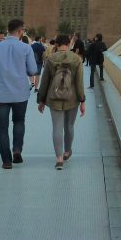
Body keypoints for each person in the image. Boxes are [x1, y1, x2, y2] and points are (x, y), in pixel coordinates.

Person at [0, 18, 38, 169]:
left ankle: (6, 161)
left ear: (8, 30)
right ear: (20, 31)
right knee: (19, 121)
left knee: (2, 127)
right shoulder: (26, 48)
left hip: (0, 94)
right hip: (20, 93)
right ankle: (17, 150)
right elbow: (33, 70)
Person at [37, 34, 85, 170]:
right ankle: (67, 151)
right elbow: (79, 82)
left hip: (54, 98)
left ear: (57, 45)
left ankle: (59, 159)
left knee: (57, 127)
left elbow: (45, 81)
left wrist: (41, 100)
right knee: (69, 126)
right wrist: (82, 101)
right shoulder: (76, 59)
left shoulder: (51, 59)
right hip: (73, 98)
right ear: (69, 44)